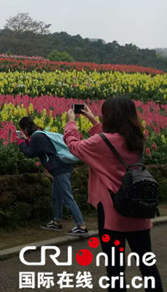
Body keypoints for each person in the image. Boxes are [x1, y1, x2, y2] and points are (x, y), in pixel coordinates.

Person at [64, 98, 163, 292]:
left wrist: (71, 123)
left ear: (109, 116)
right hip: (139, 210)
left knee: (116, 270)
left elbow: (75, 147)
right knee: (147, 264)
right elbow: (111, 143)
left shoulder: (102, 142)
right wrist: (93, 121)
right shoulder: (137, 138)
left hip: (113, 215)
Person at [17, 116, 88, 235]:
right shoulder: (40, 134)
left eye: (22, 129)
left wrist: (20, 142)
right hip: (61, 168)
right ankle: (57, 222)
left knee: (67, 197)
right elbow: (41, 147)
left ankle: (81, 226)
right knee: (56, 196)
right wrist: (27, 140)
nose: (22, 132)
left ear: (25, 128)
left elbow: (30, 153)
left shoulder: (37, 137)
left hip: (60, 169)